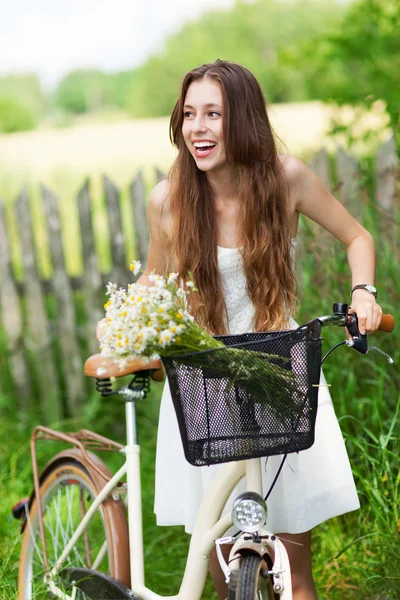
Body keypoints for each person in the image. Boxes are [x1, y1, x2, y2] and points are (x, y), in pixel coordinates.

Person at [102, 60, 383, 599]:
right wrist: (124, 324)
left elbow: (357, 237)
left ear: (245, 120)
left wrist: (362, 293)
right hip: (206, 387)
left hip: (279, 377)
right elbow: (153, 281)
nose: (197, 128)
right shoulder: (169, 200)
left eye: (214, 114)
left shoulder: (286, 180)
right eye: (189, 114)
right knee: (227, 572)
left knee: (294, 575)